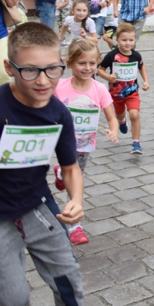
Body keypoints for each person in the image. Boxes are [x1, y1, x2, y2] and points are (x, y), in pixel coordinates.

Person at [0, 23, 105, 306]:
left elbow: (70, 166)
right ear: (9, 68)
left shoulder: (58, 112)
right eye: (30, 70)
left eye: (52, 69)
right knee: (12, 301)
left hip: (37, 205)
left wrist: (77, 198)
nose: (43, 80)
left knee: (69, 280)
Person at [53, 39, 119, 245]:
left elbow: (111, 116)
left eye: (92, 63)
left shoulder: (99, 89)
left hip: (84, 146)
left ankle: (59, 172)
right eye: (82, 63)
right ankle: (75, 226)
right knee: (77, 182)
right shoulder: (59, 86)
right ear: (69, 63)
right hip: (63, 143)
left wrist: (114, 130)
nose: (87, 68)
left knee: (74, 174)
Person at [97, 23, 149, 154]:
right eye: (124, 40)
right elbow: (100, 69)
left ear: (135, 39)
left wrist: (146, 81)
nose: (127, 43)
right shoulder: (111, 56)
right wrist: (108, 77)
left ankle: (136, 143)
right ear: (117, 40)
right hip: (116, 94)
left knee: (134, 114)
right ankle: (121, 121)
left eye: (131, 40)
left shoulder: (136, 55)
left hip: (132, 92)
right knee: (119, 115)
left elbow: (141, 67)